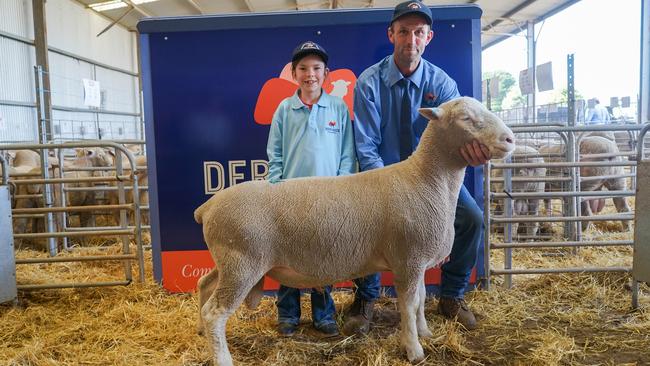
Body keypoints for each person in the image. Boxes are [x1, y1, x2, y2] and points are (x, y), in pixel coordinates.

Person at [343, 0, 490, 335]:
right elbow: (366, 147)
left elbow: (457, 139)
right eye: (404, 31)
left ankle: (452, 295)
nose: (411, 38)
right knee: (367, 221)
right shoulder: (369, 82)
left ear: (429, 37)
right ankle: (366, 297)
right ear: (392, 34)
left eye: (419, 32)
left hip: (432, 178)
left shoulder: (443, 86)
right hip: (381, 177)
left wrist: (473, 151)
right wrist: (392, 193)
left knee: (472, 218)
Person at [266, 40, 357, 337]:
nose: (310, 74)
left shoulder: (337, 107)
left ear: (326, 73)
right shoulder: (284, 109)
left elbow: (347, 152)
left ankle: (323, 313)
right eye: (303, 68)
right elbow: (275, 153)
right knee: (287, 255)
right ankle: (288, 314)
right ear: (294, 73)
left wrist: (342, 187)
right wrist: (276, 187)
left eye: (316, 68)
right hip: (291, 196)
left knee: (324, 254)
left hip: (327, 196)